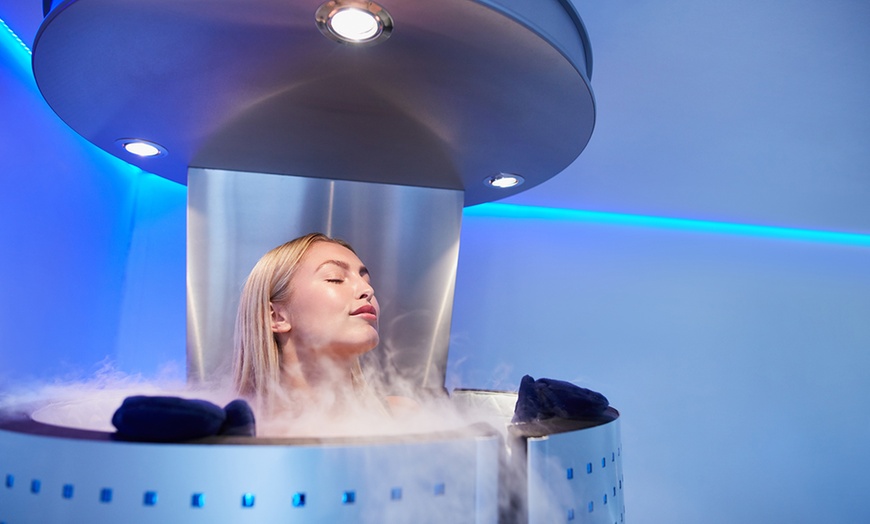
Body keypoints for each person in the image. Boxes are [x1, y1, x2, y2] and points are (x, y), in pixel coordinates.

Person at [232, 233, 386, 419]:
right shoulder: (243, 431)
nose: (367, 290)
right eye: (335, 278)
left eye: (366, 280)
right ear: (276, 317)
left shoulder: (401, 417)